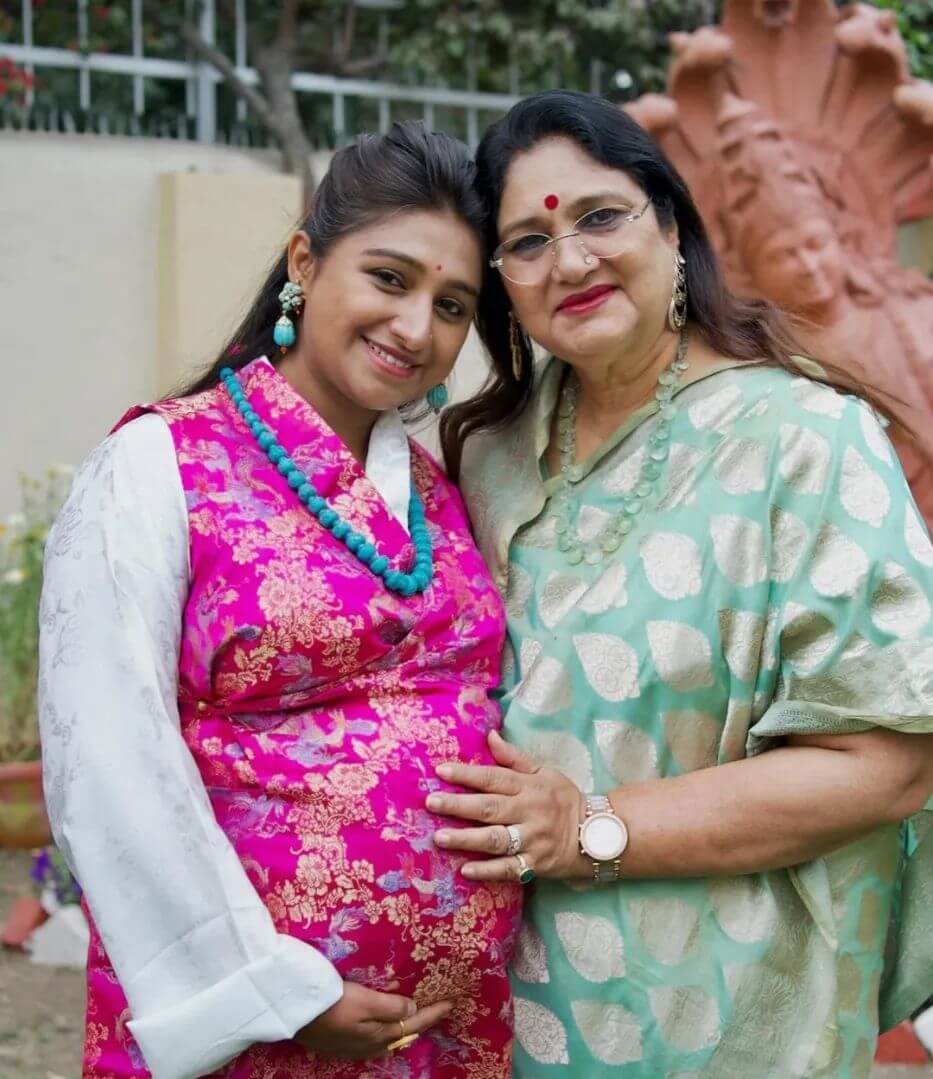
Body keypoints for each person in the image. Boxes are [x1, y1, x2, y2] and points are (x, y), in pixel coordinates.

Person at [430, 90, 933, 1077]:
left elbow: (888, 762)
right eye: (526, 242)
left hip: (730, 1021)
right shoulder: (485, 454)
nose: (569, 260)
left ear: (669, 225)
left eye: (599, 216)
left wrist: (588, 825)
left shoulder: (803, 437)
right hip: (499, 1020)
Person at [38, 122, 522, 1079]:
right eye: (388, 278)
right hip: (255, 1032)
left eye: (451, 305)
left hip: (446, 1033)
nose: (415, 328)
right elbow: (107, 755)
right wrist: (276, 993)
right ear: (305, 261)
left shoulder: (440, 491)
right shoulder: (159, 462)